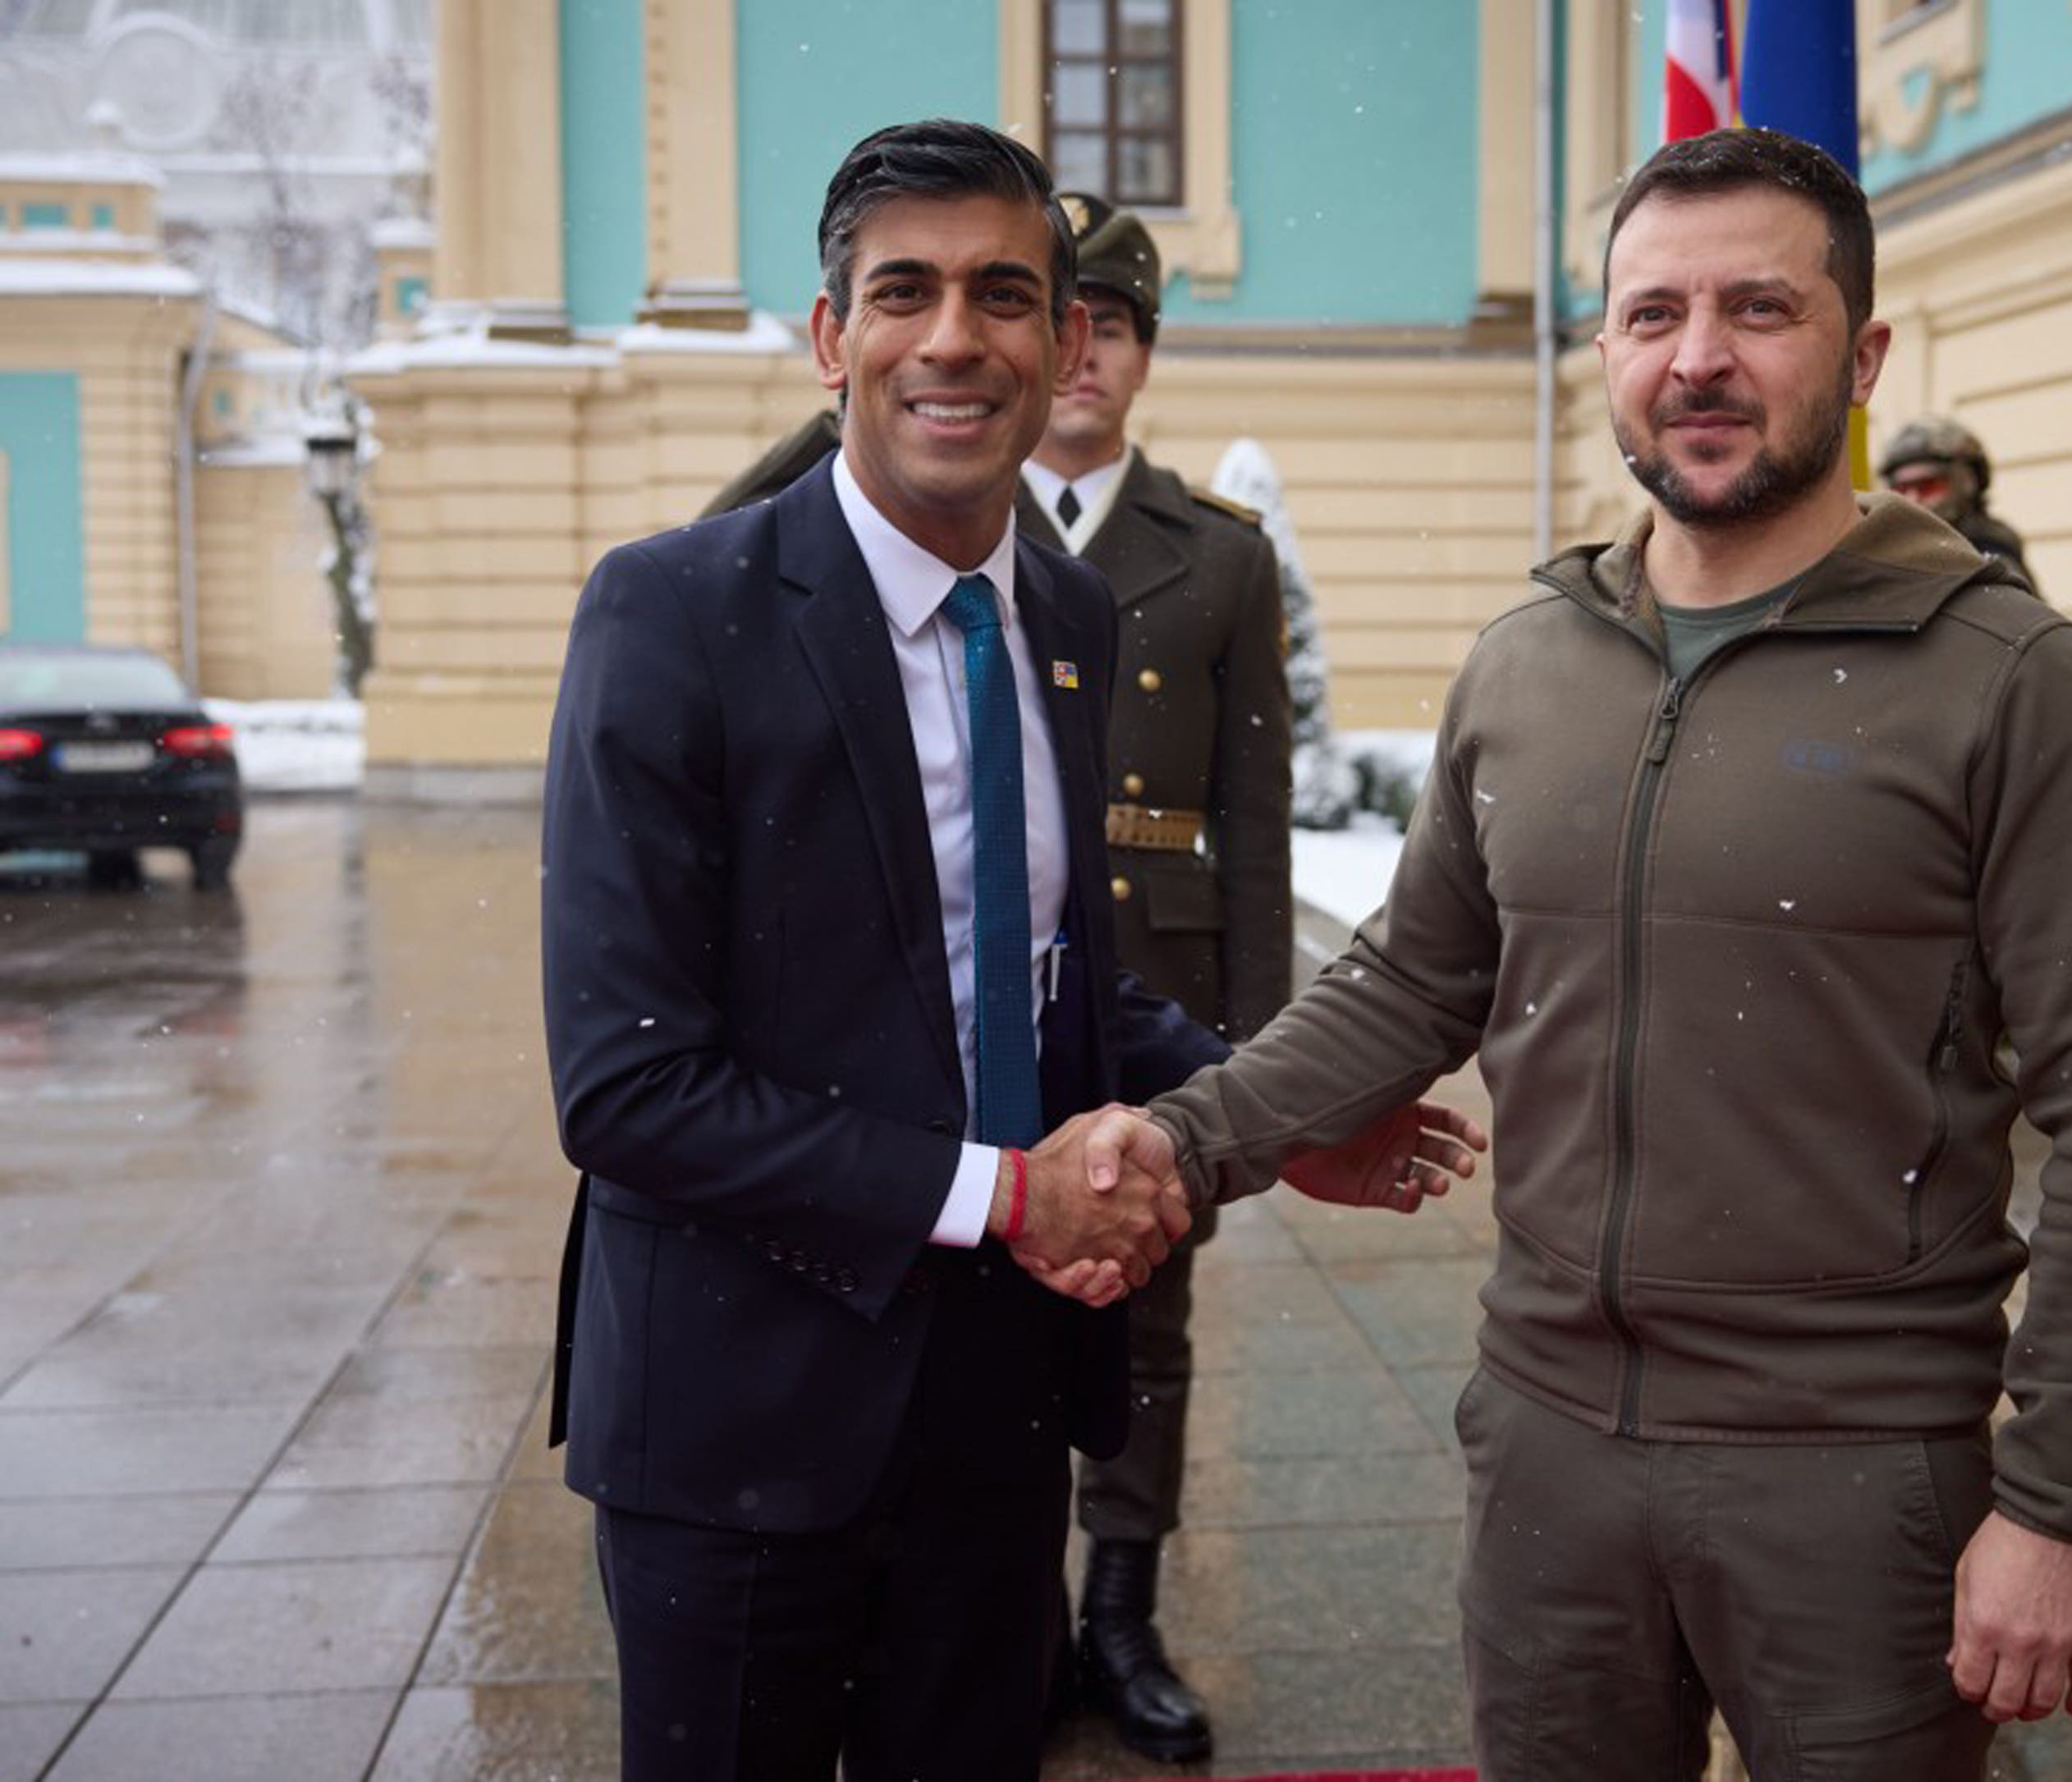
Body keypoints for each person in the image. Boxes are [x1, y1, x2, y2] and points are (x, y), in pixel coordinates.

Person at [1120, 128, 2072, 1780]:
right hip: (1547, 1452)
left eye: (1757, 308)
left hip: (1855, 1471)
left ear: (1862, 351)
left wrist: (2058, 1500)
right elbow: (1412, 978)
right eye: (1649, 315)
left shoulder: (2008, 680)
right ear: (1609, 347)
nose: (1696, 357)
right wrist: (1179, 1140)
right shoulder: (1527, 663)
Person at [539, 118, 1476, 1782]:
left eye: (1004, 294)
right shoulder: (673, 609)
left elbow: (1053, 969)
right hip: (741, 1412)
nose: (954, 337)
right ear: (833, 339)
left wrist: (1276, 1118)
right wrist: (1007, 1193)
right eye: (903, 292)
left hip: (997, 1398)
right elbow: (630, 1087)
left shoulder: (1061, 613)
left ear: (1062, 341)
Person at [1013, 190, 1292, 1762]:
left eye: (1108, 328)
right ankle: (999, 1607)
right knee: (985, 1300)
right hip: (997, 994)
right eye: (1061, 323)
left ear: (1140, 354)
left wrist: (1251, 1066)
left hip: (1165, 988)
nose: (1081, 357)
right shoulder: (941, 508)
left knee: (1145, 1318)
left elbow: (1256, 822)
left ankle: (1118, 1611)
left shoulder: (1218, 557)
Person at [1877, 414, 2042, 595]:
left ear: (1968, 484)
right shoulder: (1890, 554)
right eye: (1902, 489)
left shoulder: (1992, 560)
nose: (1913, 500)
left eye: (1928, 486)